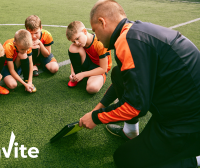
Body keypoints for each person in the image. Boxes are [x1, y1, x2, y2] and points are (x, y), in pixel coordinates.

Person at [79, 0, 200, 167]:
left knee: (125, 159)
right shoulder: (133, 32)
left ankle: (195, 157)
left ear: (102, 22)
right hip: (177, 106)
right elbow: (125, 81)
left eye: (95, 31)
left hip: (186, 124)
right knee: (117, 74)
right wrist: (97, 108)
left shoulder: (127, 40)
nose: (97, 37)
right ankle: (130, 131)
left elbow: (136, 106)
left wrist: (96, 118)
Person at [66, 21, 112, 94]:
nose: (77, 43)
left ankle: (86, 76)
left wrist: (83, 74)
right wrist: (73, 72)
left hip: (99, 69)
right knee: (73, 48)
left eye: (77, 38)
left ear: (84, 31)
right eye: (74, 41)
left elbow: (103, 69)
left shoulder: (99, 43)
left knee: (92, 88)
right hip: (87, 64)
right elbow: (74, 59)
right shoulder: (80, 44)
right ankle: (77, 77)